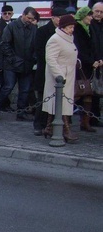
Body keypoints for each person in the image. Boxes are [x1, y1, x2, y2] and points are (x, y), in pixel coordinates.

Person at [0, 6, 39, 121]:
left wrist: (33, 58)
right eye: (28, 18)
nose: (30, 20)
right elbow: (4, 44)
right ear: (23, 15)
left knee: (25, 90)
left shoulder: (33, 28)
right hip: (12, 64)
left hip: (27, 63)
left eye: (32, 19)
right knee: (8, 87)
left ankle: (21, 112)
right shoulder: (11, 27)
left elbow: (35, 46)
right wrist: (13, 58)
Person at [42, 14, 79, 143]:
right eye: (69, 27)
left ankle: (49, 127)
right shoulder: (56, 39)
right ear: (63, 27)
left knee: (61, 104)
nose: (72, 30)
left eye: (72, 27)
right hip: (59, 78)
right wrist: (59, 76)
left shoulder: (68, 38)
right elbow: (51, 59)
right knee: (59, 104)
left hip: (68, 75)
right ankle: (65, 130)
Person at [33, 8, 67, 135]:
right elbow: (39, 51)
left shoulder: (64, 33)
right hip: (44, 70)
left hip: (59, 71)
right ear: (53, 18)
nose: (60, 20)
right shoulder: (42, 31)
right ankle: (39, 124)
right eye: (59, 17)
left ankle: (52, 125)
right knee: (42, 99)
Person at [72, 6, 100, 133]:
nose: (91, 17)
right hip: (80, 66)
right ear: (83, 16)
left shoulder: (90, 28)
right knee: (77, 93)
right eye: (89, 15)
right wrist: (91, 61)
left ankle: (85, 122)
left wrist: (97, 60)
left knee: (88, 94)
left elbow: (94, 46)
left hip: (90, 66)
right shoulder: (77, 29)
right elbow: (79, 49)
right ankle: (62, 122)